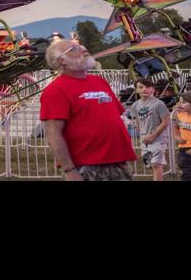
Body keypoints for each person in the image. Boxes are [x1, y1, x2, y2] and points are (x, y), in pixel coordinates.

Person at [39, 39, 134, 181]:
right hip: (86, 165)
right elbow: (53, 134)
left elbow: (115, 118)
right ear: (62, 61)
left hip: (118, 161)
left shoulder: (99, 81)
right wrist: (69, 170)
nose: (83, 49)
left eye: (81, 46)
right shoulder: (55, 90)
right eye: (74, 49)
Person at [125, 78, 171, 181]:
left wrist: (153, 136)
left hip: (158, 138)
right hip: (144, 139)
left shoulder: (159, 104)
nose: (144, 89)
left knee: (156, 164)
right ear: (136, 90)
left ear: (153, 90)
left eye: (147, 87)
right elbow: (137, 121)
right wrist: (140, 133)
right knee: (149, 164)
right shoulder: (135, 105)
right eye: (141, 87)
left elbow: (166, 122)